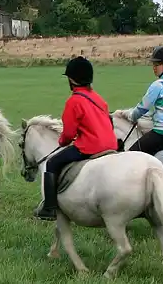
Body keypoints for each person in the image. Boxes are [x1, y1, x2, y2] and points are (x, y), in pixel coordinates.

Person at [33, 56, 118, 221]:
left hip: (90, 147)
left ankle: (49, 208)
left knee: (52, 163)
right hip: (111, 143)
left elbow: (69, 134)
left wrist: (62, 142)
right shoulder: (99, 99)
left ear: (71, 80)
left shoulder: (74, 101)